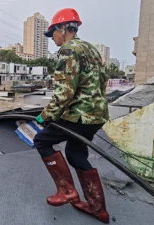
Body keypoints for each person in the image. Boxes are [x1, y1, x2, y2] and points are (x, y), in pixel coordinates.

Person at [33, 8, 110, 224]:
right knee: (76, 154)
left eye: (54, 34)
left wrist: (45, 116)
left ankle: (66, 190)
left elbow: (65, 92)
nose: (54, 40)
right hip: (96, 114)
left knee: (41, 141)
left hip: (78, 115)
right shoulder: (91, 50)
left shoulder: (68, 50)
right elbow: (101, 83)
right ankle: (98, 209)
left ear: (63, 29)